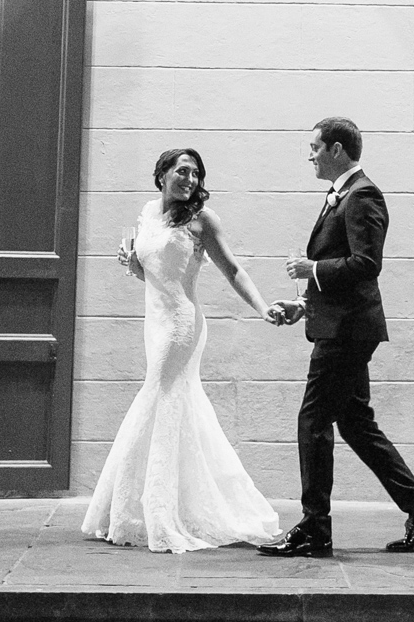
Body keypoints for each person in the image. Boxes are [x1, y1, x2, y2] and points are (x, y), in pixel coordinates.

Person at [262, 118, 414, 559]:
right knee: (355, 424)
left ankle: (314, 529)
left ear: (337, 150)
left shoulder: (362, 194)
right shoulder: (341, 197)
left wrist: (313, 270)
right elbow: (346, 274)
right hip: (341, 323)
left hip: (348, 332)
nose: (308, 155)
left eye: (314, 147)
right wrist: (304, 304)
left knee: (313, 422)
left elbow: (366, 265)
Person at [82, 148, 281, 552]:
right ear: (162, 176)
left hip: (180, 325)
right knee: (176, 408)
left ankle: (152, 514)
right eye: (182, 171)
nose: (190, 180)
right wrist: (133, 266)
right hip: (153, 323)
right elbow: (155, 271)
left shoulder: (203, 220)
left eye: (196, 174)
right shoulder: (148, 213)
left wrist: (263, 309)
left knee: (155, 400)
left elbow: (233, 270)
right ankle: (168, 506)